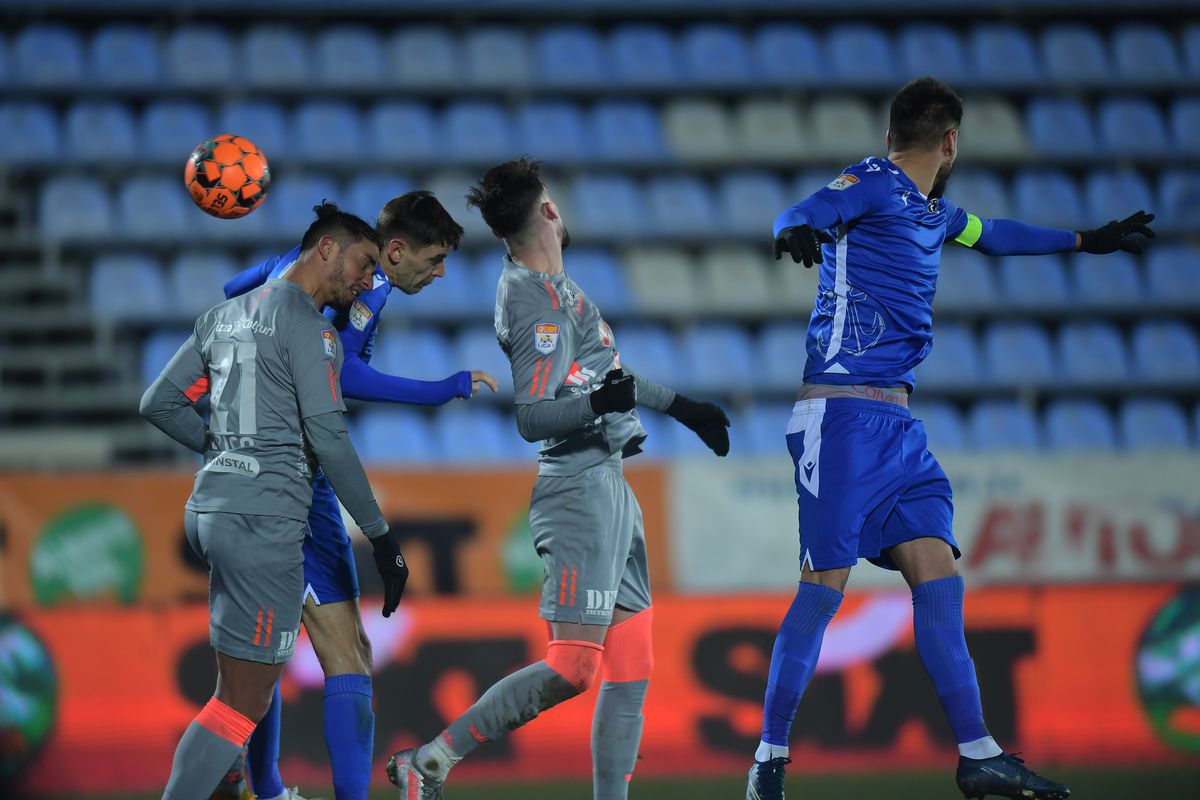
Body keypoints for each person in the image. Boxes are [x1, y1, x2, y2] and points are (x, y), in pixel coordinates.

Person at [747, 77, 1154, 800]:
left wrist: (1087, 240)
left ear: (894, 132)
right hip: (838, 417)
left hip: (899, 425)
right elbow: (808, 208)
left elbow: (993, 235)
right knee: (822, 590)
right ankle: (768, 763)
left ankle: (978, 754)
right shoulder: (871, 184)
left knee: (937, 571)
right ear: (951, 140)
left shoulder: (932, 212)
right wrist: (794, 229)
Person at [387, 157, 732, 800]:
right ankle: (431, 760)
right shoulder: (535, 305)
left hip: (610, 485)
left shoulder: (562, 290)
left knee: (632, 666)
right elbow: (533, 416)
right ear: (548, 211)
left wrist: (681, 407)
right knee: (575, 667)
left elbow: (611, 379)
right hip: (577, 489)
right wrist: (603, 407)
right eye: (558, 203)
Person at [219, 191, 498, 800]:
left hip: (240, 471)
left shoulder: (295, 270)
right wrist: (442, 387)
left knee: (264, 653)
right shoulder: (368, 290)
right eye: (435, 259)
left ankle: (261, 787)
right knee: (346, 649)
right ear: (395, 251)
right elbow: (340, 372)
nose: (441, 272)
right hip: (297, 480)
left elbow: (231, 287)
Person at [140, 203, 411, 800]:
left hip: (211, 511)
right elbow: (330, 440)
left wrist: (223, 446)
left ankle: (246, 783)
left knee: (241, 689)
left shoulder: (222, 316)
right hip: (264, 520)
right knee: (240, 702)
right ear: (325, 250)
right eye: (364, 264)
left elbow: (159, 403)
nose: (369, 281)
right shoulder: (311, 329)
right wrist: (382, 537)